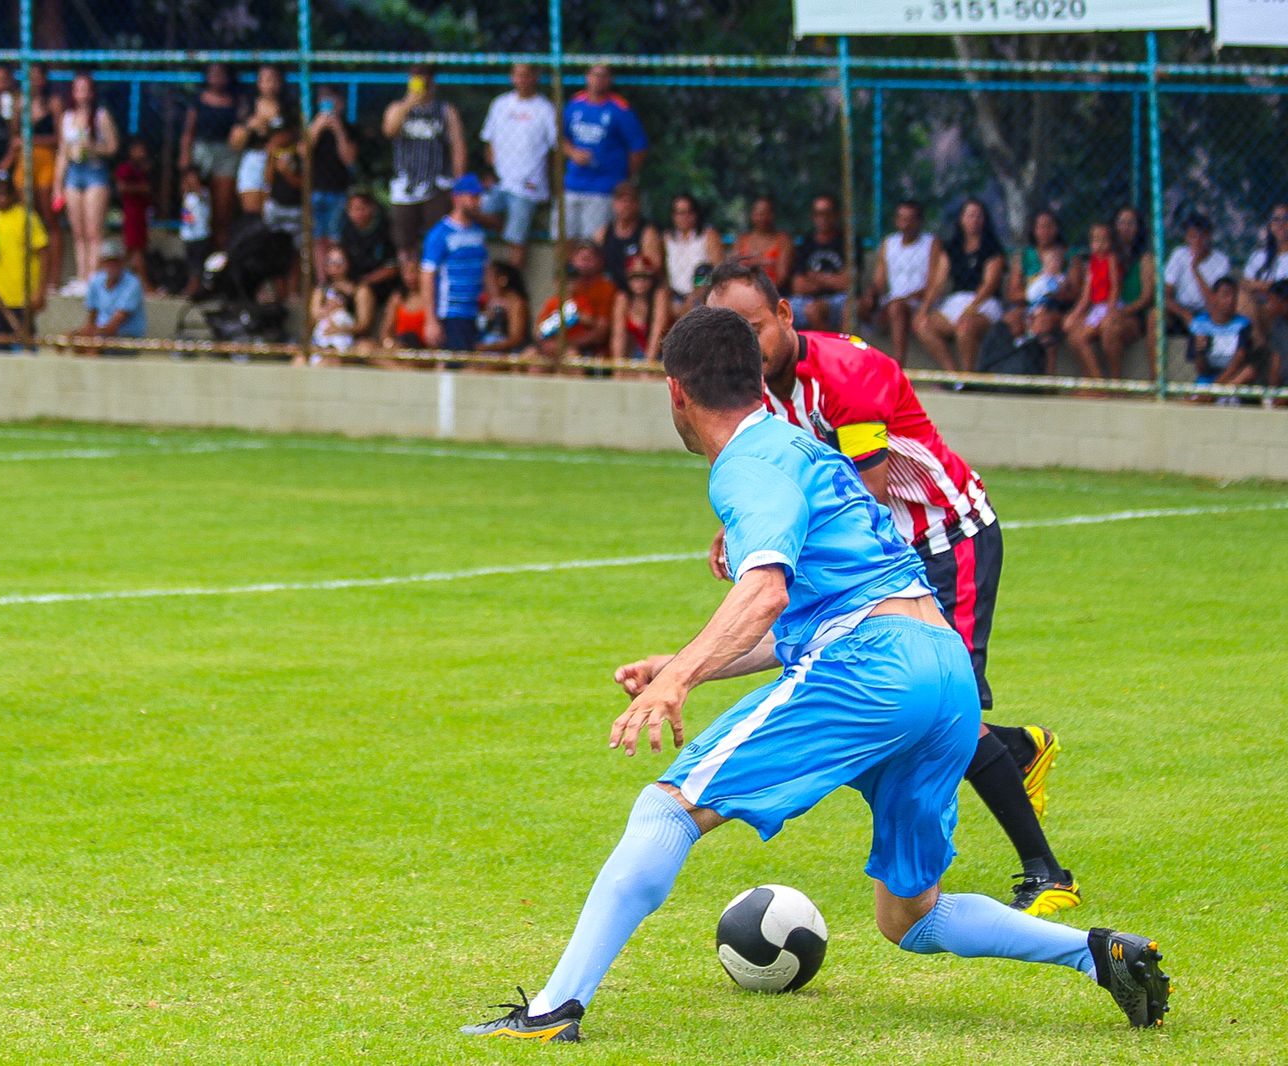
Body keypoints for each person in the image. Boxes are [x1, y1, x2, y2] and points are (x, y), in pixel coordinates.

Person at [463, 305, 1170, 1044]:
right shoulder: (804, 449)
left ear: (676, 392)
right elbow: (808, 618)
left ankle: (554, 1008)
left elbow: (766, 589)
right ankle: (1097, 955)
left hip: (873, 668)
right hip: (944, 674)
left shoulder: (745, 464)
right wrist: (686, 666)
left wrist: (676, 684)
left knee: (668, 809)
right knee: (911, 917)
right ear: (756, 376)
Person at [704, 259, 1080, 914]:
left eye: (754, 327)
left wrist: (786, 552)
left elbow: (867, 498)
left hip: (944, 537)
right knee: (938, 709)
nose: (745, 344)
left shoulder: (848, 377)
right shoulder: (758, 388)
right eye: (729, 333)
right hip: (889, 557)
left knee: (947, 713)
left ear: (787, 314)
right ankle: (1020, 749)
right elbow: (777, 470)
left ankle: (1050, 874)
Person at [479, 63, 559, 270]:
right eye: (517, 75)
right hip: (501, 182)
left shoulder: (545, 108)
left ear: (535, 76)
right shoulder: (500, 104)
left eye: (526, 75)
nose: (521, 79)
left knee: (516, 240)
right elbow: (488, 141)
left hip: (528, 185)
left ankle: (514, 285)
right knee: (474, 210)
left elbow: (555, 149)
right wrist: (493, 169)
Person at [382, 65, 466, 254]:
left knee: (437, 239)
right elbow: (389, 130)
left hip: (437, 186)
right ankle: (411, 281)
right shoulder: (397, 107)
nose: (424, 84)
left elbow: (458, 146)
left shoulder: (445, 110)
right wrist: (409, 103)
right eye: (418, 79)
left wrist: (458, 184)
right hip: (405, 187)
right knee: (405, 244)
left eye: (427, 79)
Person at [915, 198, 1005, 374]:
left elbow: (989, 285)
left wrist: (971, 309)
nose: (974, 220)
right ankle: (953, 375)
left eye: (978, 216)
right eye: (970, 215)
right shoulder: (951, 249)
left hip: (984, 303)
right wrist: (923, 309)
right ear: (962, 219)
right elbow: (938, 283)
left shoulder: (993, 250)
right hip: (956, 302)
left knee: (965, 327)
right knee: (923, 325)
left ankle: (969, 376)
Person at [560, 64, 647, 238]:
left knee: (594, 241)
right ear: (587, 77)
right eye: (594, 75)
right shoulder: (575, 104)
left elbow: (638, 148)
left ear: (609, 80)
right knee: (563, 237)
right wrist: (572, 153)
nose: (597, 80)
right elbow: (561, 138)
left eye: (603, 76)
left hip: (603, 189)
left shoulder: (620, 109)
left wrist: (627, 177)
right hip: (572, 184)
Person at [53, 71, 119, 297]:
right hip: (73, 174)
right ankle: (82, 277)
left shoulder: (101, 116)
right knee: (78, 230)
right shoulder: (67, 117)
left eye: (85, 88)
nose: (82, 93)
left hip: (94, 172)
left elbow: (112, 147)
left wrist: (91, 147)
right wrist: (57, 185)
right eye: (77, 88)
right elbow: (62, 152)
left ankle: (94, 277)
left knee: (93, 229)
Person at [0, 171, 47, 350]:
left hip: (23, 294)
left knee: (25, 346)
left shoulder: (26, 217)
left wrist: (40, 291)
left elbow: (43, 252)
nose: (2, 197)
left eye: (5, 192)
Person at [861, 199, 936, 365]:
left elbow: (932, 283)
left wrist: (901, 300)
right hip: (892, 300)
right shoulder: (889, 243)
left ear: (919, 221)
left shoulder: (931, 243)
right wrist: (871, 295)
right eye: (902, 219)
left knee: (896, 307)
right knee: (861, 305)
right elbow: (879, 282)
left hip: (918, 301)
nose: (906, 224)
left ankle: (898, 363)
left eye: (910, 219)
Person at [419, 174, 488, 352]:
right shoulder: (440, 234)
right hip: (450, 312)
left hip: (474, 311)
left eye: (479, 197)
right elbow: (427, 276)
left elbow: (486, 268)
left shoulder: (478, 233)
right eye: (473, 197)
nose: (477, 202)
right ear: (457, 198)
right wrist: (431, 319)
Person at [179, 64, 244, 248]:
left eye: (221, 73)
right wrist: (186, 165)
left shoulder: (237, 101)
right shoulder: (197, 102)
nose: (217, 78)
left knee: (222, 213)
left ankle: (219, 259)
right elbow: (188, 134)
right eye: (212, 73)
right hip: (201, 154)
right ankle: (195, 265)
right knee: (195, 211)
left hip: (227, 154)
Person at [1002, 209, 1078, 352]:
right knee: (1011, 319)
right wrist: (1035, 294)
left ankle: (1044, 371)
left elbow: (1074, 293)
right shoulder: (1023, 256)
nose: (1045, 231)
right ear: (1034, 230)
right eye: (1040, 227)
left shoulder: (1069, 256)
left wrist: (1053, 295)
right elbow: (1013, 293)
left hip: (1057, 307)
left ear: (1056, 229)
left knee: (1044, 322)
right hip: (1028, 305)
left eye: (1049, 226)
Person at [529, 239, 616, 362]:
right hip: (551, 344)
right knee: (530, 356)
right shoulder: (553, 301)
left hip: (580, 347)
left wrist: (576, 317)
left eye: (590, 257)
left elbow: (597, 328)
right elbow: (539, 329)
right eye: (581, 257)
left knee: (572, 357)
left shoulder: (600, 291)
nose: (568, 284)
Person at [22, 63, 65, 292]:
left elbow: (60, 138)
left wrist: (32, 141)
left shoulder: (53, 103)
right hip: (25, 162)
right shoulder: (21, 102)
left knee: (49, 220)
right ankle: (28, 275)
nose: (33, 81)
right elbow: (14, 139)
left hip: (47, 161)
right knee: (27, 220)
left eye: (37, 77)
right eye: (29, 77)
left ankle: (53, 279)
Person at [307, 85, 358, 281]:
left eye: (332, 99)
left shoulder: (348, 128)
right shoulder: (311, 126)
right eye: (323, 99)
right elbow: (303, 153)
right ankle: (322, 283)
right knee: (318, 240)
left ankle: (337, 281)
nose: (327, 105)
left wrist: (337, 129)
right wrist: (317, 127)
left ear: (341, 103)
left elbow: (349, 159)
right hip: (314, 192)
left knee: (335, 238)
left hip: (339, 192)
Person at [1103, 206, 1157, 379]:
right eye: (1121, 223)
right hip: (1105, 311)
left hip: (1133, 315)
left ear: (1138, 228)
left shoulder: (1145, 259)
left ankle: (1116, 382)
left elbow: (1147, 297)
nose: (1125, 227)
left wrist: (1123, 312)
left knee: (1111, 330)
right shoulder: (1108, 255)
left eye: (1130, 223)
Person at [1062, 222, 1122, 379]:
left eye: (1104, 240)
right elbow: (1086, 295)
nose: (1100, 244)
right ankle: (1095, 379)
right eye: (1096, 240)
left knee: (1084, 336)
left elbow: (1115, 286)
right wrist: (1074, 315)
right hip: (1096, 308)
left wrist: (1110, 312)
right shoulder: (1092, 262)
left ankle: (1104, 382)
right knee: (1074, 337)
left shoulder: (1111, 259)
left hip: (1108, 306)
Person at [230, 64, 287, 219]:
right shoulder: (248, 106)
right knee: (252, 215)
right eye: (266, 79)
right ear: (259, 82)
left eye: (274, 79)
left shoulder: (289, 107)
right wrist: (252, 125)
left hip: (280, 160)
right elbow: (234, 143)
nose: (270, 84)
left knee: (274, 214)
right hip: (254, 160)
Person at [72, 238, 146, 355]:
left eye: (116, 261)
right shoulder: (95, 280)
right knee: (76, 342)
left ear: (123, 262)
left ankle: (93, 371)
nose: (112, 266)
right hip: (101, 334)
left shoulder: (133, 284)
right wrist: (80, 334)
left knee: (95, 345)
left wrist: (91, 333)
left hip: (126, 338)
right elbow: (92, 318)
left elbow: (114, 325)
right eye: (108, 261)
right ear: (102, 263)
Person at [1162, 213, 1229, 340]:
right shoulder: (1179, 255)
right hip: (1181, 311)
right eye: (1192, 237)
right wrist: (1185, 315)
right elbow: (1165, 296)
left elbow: (1215, 304)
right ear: (1186, 238)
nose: (1197, 242)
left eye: (1201, 236)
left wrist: (1195, 270)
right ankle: (1156, 360)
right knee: (1154, 316)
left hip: (1207, 312)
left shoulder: (1221, 261)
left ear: (1209, 236)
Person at [788, 193, 850, 330]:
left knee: (817, 310)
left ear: (836, 215)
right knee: (783, 310)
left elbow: (847, 283)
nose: (823, 218)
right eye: (818, 214)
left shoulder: (848, 242)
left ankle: (832, 348)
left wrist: (815, 277)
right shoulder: (806, 243)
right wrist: (831, 280)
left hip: (839, 299)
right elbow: (798, 286)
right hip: (807, 300)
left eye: (827, 213)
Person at [594, 181, 663, 290]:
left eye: (630, 201)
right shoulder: (603, 233)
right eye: (621, 201)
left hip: (639, 289)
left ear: (637, 204)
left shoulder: (647, 232)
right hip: (610, 287)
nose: (626, 205)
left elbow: (655, 267)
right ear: (614, 204)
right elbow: (595, 264)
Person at [662, 194, 721, 316]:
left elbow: (717, 268)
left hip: (702, 294)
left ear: (695, 214)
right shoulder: (667, 238)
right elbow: (664, 273)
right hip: (675, 296)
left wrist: (696, 293)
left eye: (688, 212)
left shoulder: (708, 235)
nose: (684, 217)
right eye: (679, 213)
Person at [1188, 276, 1251, 388]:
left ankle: (1209, 396)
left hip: (1232, 377)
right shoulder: (1199, 324)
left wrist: (1216, 387)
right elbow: (1201, 369)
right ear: (1214, 297)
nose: (1231, 300)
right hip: (1208, 377)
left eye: (1234, 296)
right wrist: (1200, 351)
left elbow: (1240, 359)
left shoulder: (1243, 324)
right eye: (1226, 295)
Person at [340, 190, 399, 310]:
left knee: (362, 292)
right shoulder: (347, 231)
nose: (358, 213)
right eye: (353, 209)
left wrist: (364, 281)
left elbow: (392, 268)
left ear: (372, 208)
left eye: (361, 208)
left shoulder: (385, 229)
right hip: (354, 282)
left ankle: (359, 328)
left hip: (381, 286)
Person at [610, 253, 669, 363]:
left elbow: (658, 331)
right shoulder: (623, 298)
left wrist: (647, 366)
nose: (640, 282)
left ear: (652, 279)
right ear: (627, 280)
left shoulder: (659, 295)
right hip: (634, 354)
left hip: (662, 353)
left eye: (645, 277)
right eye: (635, 277)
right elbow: (618, 335)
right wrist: (618, 366)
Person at [312, 247, 375, 349]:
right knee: (300, 358)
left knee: (365, 348)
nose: (335, 265)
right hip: (323, 339)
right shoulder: (321, 290)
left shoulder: (361, 290)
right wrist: (328, 309)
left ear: (348, 262)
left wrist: (340, 329)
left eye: (340, 261)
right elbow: (313, 318)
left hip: (352, 342)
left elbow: (364, 325)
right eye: (331, 261)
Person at [731, 194, 794, 294]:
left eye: (767, 213)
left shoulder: (783, 240)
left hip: (774, 294)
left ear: (773, 215)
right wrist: (765, 263)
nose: (762, 217)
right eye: (759, 213)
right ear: (752, 215)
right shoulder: (741, 240)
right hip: (743, 293)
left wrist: (750, 264)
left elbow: (782, 277)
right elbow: (733, 270)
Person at [115, 138, 154, 287]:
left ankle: (121, 281)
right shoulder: (126, 169)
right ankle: (144, 283)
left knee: (133, 249)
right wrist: (141, 188)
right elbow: (121, 187)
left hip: (142, 214)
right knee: (135, 248)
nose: (141, 153)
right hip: (131, 213)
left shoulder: (144, 169)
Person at [1241, 203, 1288, 325]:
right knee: (1242, 298)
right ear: (1270, 225)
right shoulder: (1259, 255)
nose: (1280, 224)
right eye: (1276, 219)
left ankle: (1258, 339)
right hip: (1258, 304)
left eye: (1286, 219)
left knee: (1272, 303)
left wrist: (1257, 286)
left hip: (1281, 307)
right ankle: (1259, 340)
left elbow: (1283, 290)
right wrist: (1270, 286)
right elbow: (1244, 283)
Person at [377, 251, 429, 351]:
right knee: (366, 348)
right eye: (405, 272)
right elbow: (385, 332)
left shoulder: (431, 298)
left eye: (414, 271)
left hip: (424, 352)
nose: (409, 277)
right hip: (400, 350)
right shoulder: (397, 298)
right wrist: (391, 345)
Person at [476, 259, 530, 354]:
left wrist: (488, 347)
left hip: (510, 353)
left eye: (489, 277)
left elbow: (516, 338)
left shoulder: (516, 303)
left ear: (502, 280)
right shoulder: (487, 301)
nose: (485, 281)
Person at [263, 118, 304, 240]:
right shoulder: (273, 153)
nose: (279, 137)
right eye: (275, 134)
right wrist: (270, 157)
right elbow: (268, 181)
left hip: (296, 209)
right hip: (276, 205)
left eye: (282, 133)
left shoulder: (300, 152)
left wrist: (287, 173)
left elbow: (304, 184)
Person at [178, 166, 212, 299]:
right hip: (188, 236)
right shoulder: (187, 196)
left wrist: (194, 185)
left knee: (198, 263)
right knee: (190, 263)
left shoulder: (203, 193)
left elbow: (200, 195)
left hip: (200, 235)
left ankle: (195, 287)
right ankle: (191, 285)